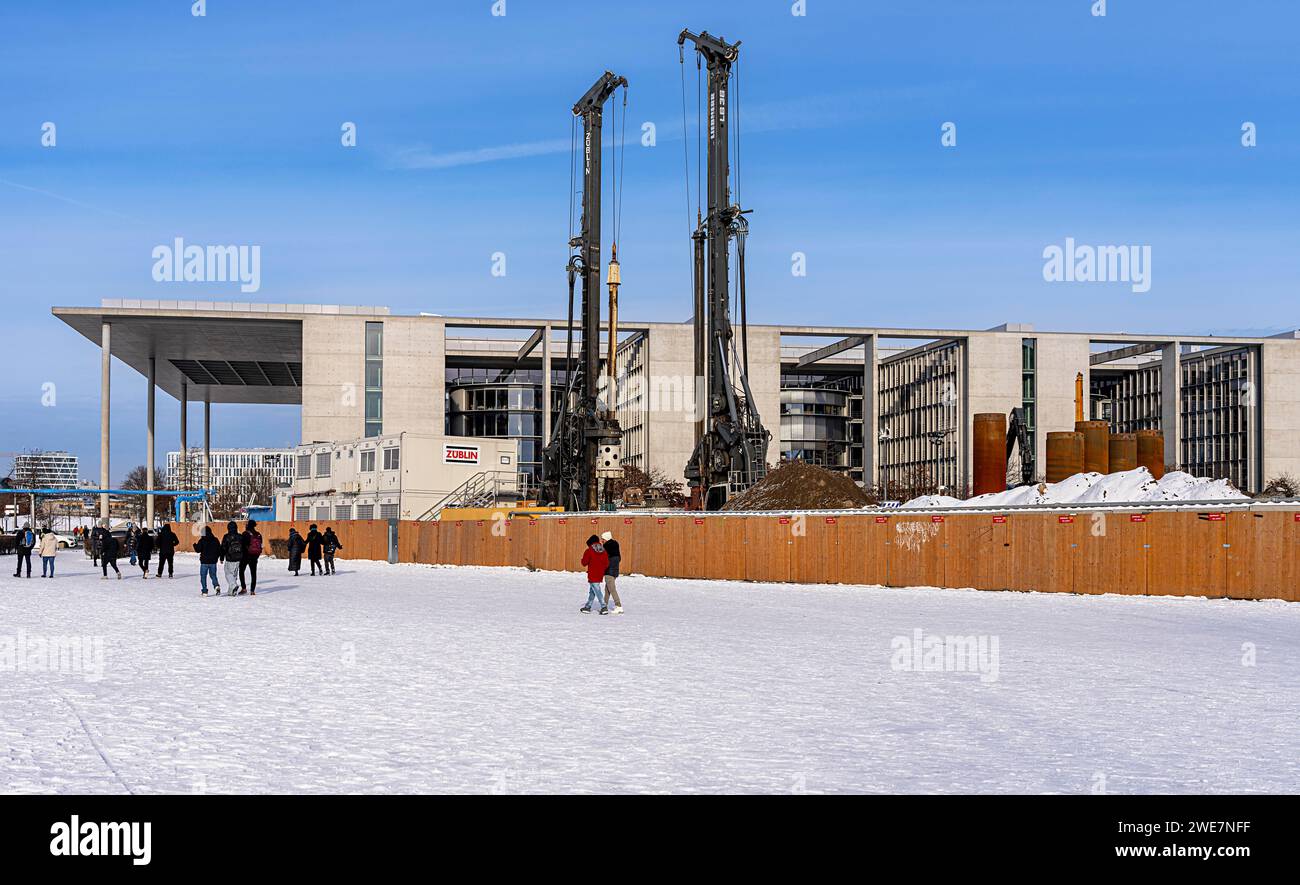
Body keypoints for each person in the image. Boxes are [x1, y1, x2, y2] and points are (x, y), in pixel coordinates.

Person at [580, 534, 609, 614]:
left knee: (597, 589)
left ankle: (604, 607)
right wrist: (601, 569)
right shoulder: (604, 550)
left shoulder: (589, 550)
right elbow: (606, 563)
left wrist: (582, 559)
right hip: (600, 573)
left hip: (592, 573)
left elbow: (584, 563)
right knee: (592, 590)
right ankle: (588, 606)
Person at [193, 525, 223, 596]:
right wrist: (219, 557)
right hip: (213, 561)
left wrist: (194, 545)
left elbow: (198, 550)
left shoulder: (202, 540)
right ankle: (216, 586)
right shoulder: (215, 540)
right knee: (213, 575)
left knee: (203, 576)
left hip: (204, 562)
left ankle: (204, 591)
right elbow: (219, 550)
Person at [599, 530, 624, 615]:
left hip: (609, 572)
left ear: (606, 539)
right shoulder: (615, 546)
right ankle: (604, 606)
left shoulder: (606, 546)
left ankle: (618, 606)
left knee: (612, 589)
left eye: (602, 539)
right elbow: (619, 559)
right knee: (607, 590)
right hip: (615, 571)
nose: (602, 540)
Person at [239, 519, 263, 596]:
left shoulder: (245, 534)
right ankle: (252, 590)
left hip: (245, 556)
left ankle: (244, 588)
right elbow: (260, 546)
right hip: (254, 557)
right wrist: (256, 555)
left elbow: (241, 545)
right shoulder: (258, 534)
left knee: (241, 571)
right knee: (253, 573)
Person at [219, 521, 244, 592]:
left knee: (228, 573)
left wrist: (221, 558)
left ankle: (233, 585)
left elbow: (223, 548)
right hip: (239, 558)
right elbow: (244, 547)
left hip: (230, 558)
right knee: (234, 575)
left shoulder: (227, 536)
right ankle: (231, 591)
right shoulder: (240, 536)